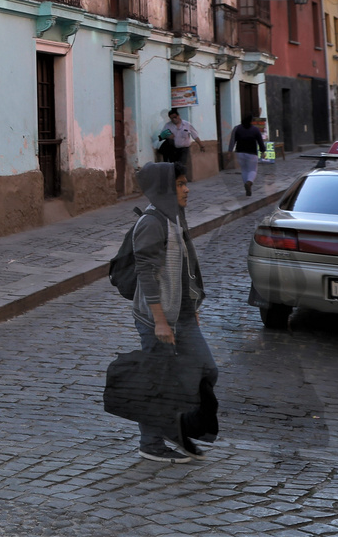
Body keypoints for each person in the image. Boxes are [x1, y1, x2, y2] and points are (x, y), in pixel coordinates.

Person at [130, 162, 217, 462]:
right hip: (158, 318)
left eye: (185, 183)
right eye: (180, 184)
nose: (187, 188)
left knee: (206, 370)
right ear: (166, 189)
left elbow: (185, 270)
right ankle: (151, 443)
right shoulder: (152, 223)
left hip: (181, 315)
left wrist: (191, 307)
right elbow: (146, 274)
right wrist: (159, 322)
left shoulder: (175, 218)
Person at [228, 114, 265, 197]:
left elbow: (232, 140)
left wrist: (230, 151)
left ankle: (247, 186)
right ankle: (249, 182)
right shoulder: (255, 129)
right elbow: (260, 141)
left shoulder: (237, 128)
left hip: (240, 153)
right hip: (252, 153)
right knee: (252, 170)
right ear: (251, 121)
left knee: (244, 170)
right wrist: (263, 151)